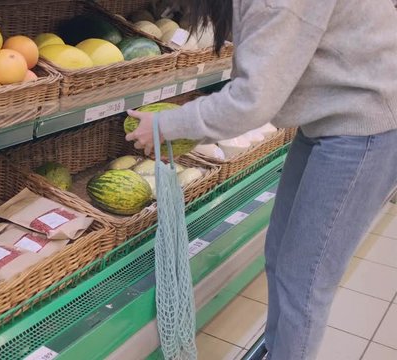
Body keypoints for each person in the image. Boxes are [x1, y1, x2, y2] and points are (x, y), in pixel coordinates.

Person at [125, 0, 397, 359]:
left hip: (363, 129)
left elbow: (252, 102)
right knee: (281, 253)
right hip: (329, 119)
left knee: (306, 281)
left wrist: (166, 125)